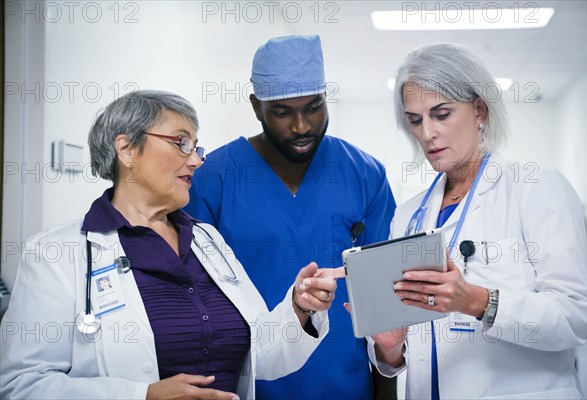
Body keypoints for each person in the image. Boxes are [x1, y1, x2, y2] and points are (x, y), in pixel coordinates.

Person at [0, 90, 342, 400]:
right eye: (181, 143)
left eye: (196, 147)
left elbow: (263, 357)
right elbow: (22, 385)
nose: (196, 160)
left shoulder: (208, 241)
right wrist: (142, 396)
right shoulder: (55, 255)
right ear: (126, 149)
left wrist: (300, 308)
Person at [365, 43, 587, 399]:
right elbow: (404, 354)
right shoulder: (408, 215)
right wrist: (391, 347)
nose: (427, 133)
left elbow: (576, 318)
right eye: (415, 120)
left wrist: (476, 301)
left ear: (479, 109)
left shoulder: (535, 187)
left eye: (441, 114)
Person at [184, 35, 397, 399]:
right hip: (249, 385)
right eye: (283, 112)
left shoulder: (364, 174)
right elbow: (194, 301)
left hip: (347, 385)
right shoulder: (213, 177)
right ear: (256, 107)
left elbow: (384, 303)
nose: (301, 126)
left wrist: (386, 393)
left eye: (314, 107)